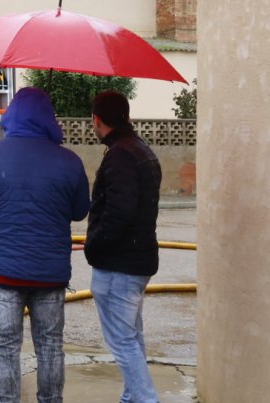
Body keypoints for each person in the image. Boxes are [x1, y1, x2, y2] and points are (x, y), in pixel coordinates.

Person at [0, 87, 90, 403]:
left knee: (5, 346)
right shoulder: (70, 161)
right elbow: (80, 210)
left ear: (11, 116)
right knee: (50, 344)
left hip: (2, 273)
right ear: (49, 119)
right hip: (51, 275)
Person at [86, 91, 162, 402]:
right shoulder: (139, 149)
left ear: (96, 120)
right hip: (136, 260)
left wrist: (96, 246)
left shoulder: (120, 155)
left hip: (119, 264)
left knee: (122, 340)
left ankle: (144, 398)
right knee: (131, 336)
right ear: (126, 116)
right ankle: (133, 396)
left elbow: (120, 211)